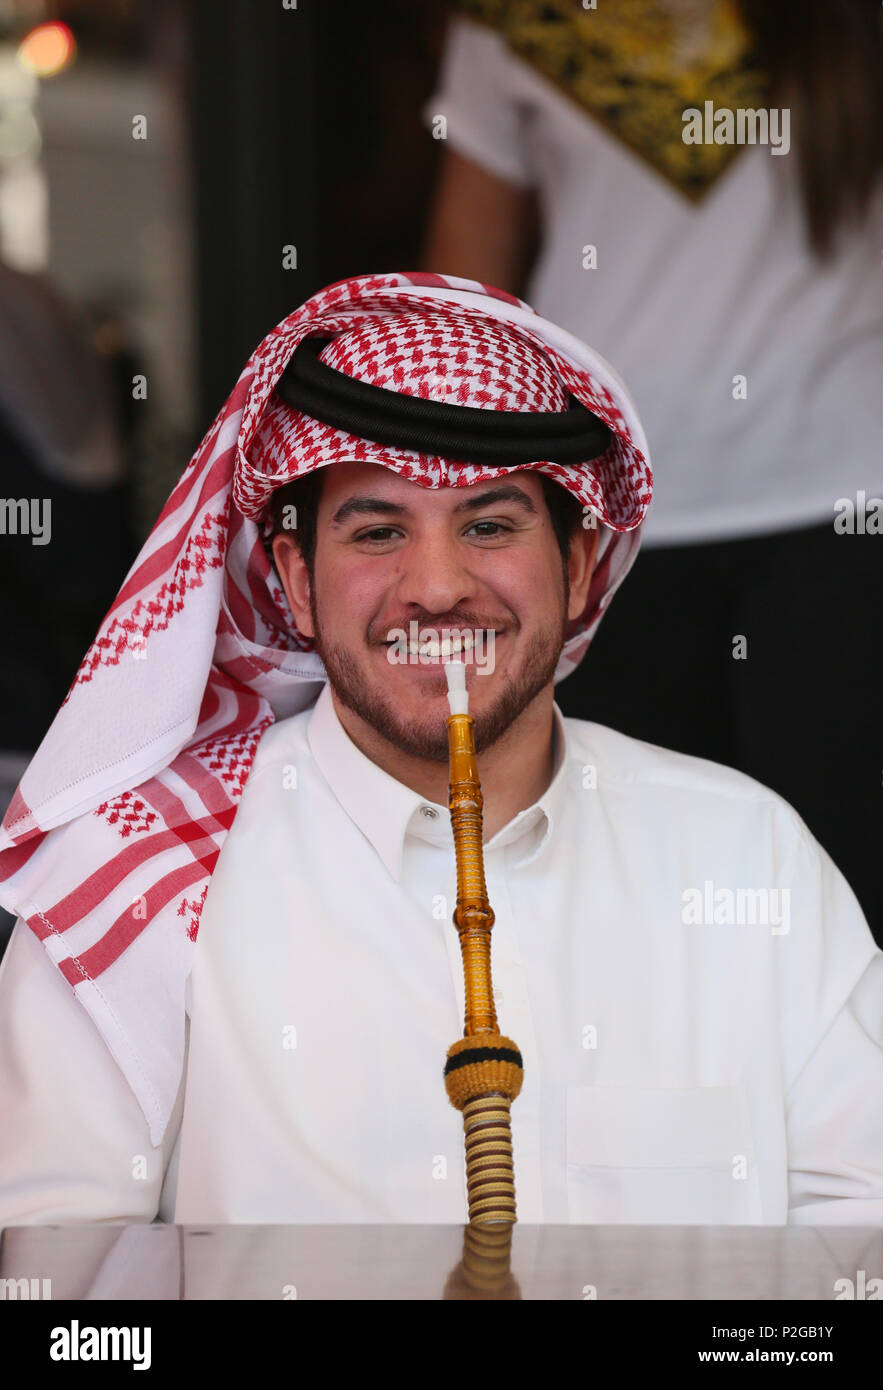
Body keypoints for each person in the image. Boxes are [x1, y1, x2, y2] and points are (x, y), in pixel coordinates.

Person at [0, 272, 880, 1229]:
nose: (436, 587)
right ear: (294, 582)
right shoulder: (133, 878)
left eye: (490, 525)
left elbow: (856, 1235)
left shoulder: (746, 855)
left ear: (578, 567)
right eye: (378, 531)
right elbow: (59, 1273)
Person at [419, 1, 883, 934]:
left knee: (851, 908)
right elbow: (463, 296)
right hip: (611, 518)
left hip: (847, 505)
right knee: (637, 911)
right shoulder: (514, 19)